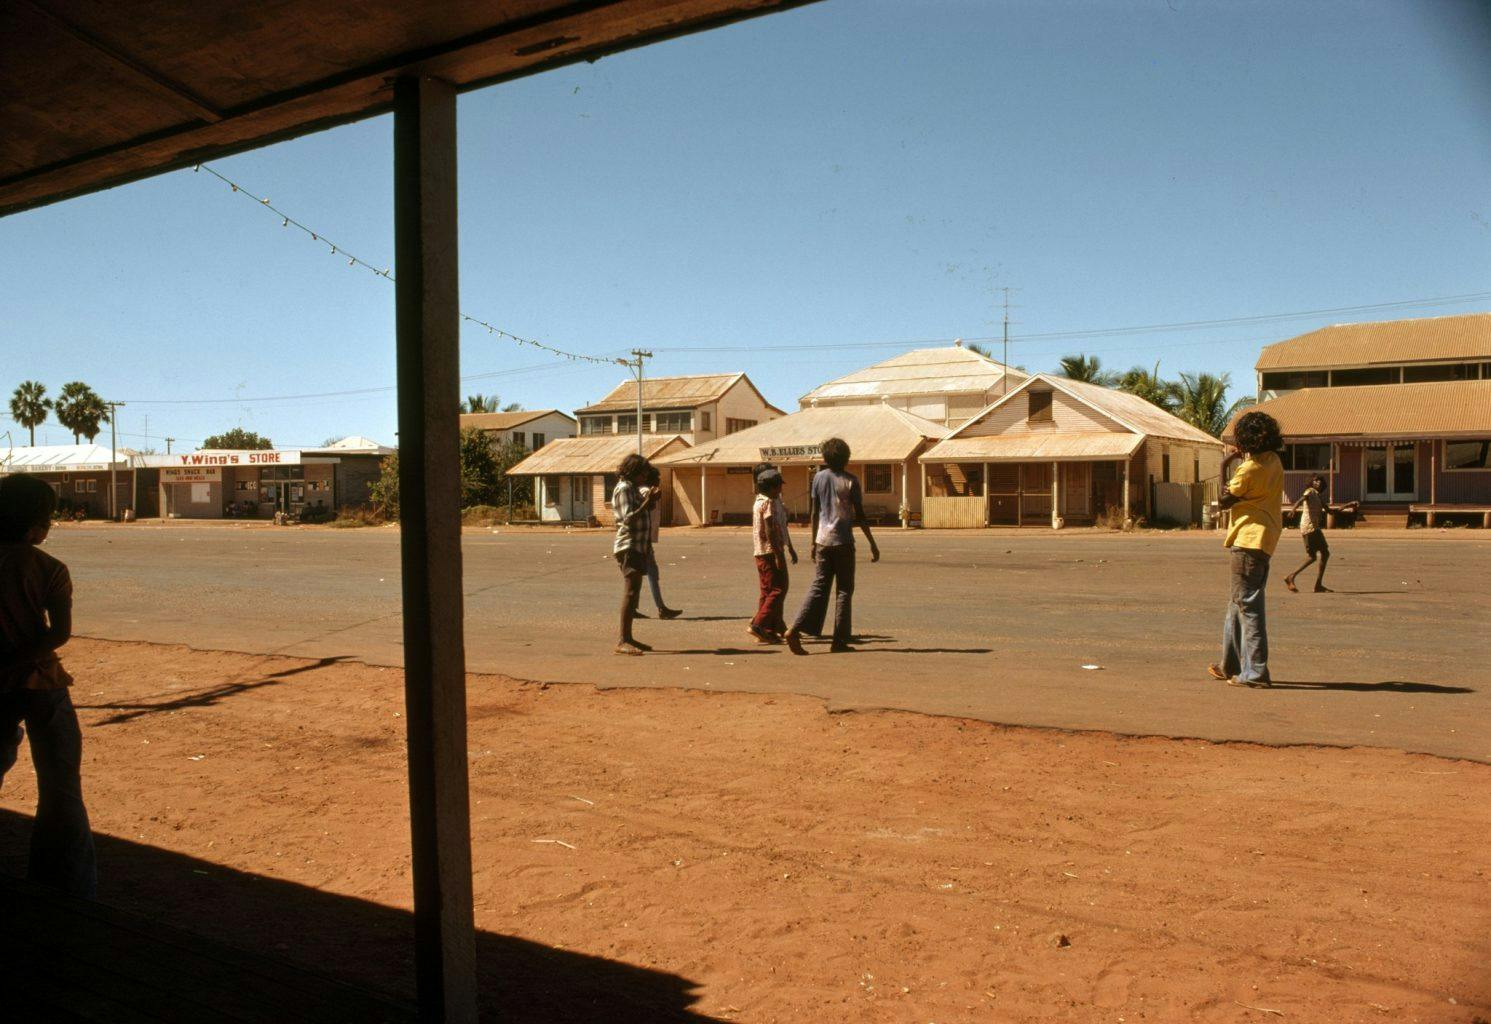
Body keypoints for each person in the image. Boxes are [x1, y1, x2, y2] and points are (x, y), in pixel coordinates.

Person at [0, 474, 97, 897]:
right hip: (41, 683)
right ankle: (65, 887)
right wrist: (16, 661)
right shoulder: (49, 569)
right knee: (60, 786)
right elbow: (58, 634)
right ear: (34, 525)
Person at [1208, 411, 1285, 688]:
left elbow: (1224, 499)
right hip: (1265, 540)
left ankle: (1256, 673)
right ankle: (1229, 664)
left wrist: (1227, 461)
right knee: (1236, 604)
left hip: (1247, 540)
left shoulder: (1248, 469)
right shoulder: (1274, 461)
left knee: (1248, 607)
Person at [785, 439, 880, 655]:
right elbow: (861, 516)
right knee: (844, 591)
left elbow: (814, 512)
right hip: (843, 542)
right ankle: (839, 640)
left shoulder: (817, 477)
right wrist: (872, 544)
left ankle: (795, 628)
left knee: (819, 586)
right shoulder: (850, 481)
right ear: (846, 458)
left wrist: (812, 542)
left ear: (825, 458)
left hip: (822, 541)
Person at [611, 454, 659, 656]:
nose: (644, 478)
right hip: (628, 546)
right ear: (634, 472)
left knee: (635, 591)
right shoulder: (623, 489)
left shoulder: (632, 488)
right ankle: (623, 640)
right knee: (630, 592)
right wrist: (647, 503)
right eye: (643, 473)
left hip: (638, 546)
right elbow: (628, 518)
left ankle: (629, 637)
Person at [1283, 474, 1357, 593]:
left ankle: (1317, 584)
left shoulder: (1318, 497)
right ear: (1312, 482)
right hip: (1309, 527)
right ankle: (1292, 577)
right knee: (1313, 556)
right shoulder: (1310, 491)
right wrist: (1293, 509)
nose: (1318, 482)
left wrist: (1347, 505)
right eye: (1316, 480)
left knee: (1323, 554)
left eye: (1320, 481)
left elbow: (1331, 512)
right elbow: (1301, 499)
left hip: (1314, 528)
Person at [748, 464, 797, 644]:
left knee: (767, 590)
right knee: (779, 588)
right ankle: (759, 624)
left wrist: (790, 547)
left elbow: (781, 527)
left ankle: (768, 627)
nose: (781, 490)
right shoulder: (767, 503)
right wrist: (778, 554)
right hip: (770, 551)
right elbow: (770, 530)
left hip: (762, 552)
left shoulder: (760, 502)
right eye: (778, 486)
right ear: (770, 488)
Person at [635, 465, 682, 620]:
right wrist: (652, 497)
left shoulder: (649, 491)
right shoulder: (645, 491)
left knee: (645, 575)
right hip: (642, 541)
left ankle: (642, 607)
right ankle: (660, 608)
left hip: (646, 540)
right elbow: (645, 509)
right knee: (648, 574)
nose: (659, 481)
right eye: (657, 478)